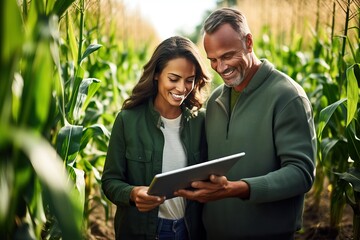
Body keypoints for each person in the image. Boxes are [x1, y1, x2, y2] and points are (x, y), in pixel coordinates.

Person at [175, 7, 317, 240]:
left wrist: (238, 188)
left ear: (248, 42)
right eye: (213, 60)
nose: (221, 68)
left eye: (227, 56)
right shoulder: (215, 100)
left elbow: (301, 173)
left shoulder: (287, 97)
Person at [101, 36, 210, 240]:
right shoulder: (127, 120)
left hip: (190, 231)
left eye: (189, 80)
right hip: (143, 232)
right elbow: (110, 181)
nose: (182, 88)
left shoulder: (201, 121)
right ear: (157, 75)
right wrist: (133, 194)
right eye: (174, 78)